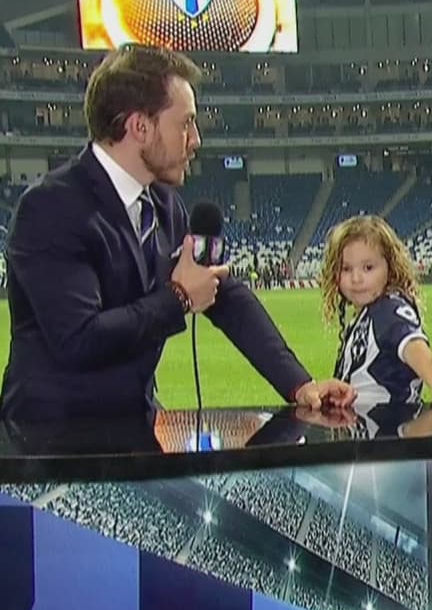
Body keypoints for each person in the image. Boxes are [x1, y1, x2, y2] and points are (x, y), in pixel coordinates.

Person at [1, 43, 353, 422]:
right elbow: (79, 340)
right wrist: (179, 297)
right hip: (53, 435)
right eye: (185, 123)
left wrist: (300, 385)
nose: (196, 139)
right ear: (140, 127)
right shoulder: (51, 208)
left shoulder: (164, 205)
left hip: (135, 423)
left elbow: (224, 294)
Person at [320, 214, 432, 408]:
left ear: (390, 267)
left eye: (368, 268)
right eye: (346, 269)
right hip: (364, 421)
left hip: (390, 422)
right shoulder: (364, 316)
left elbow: (414, 347)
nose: (356, 278)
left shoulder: (389, 310)